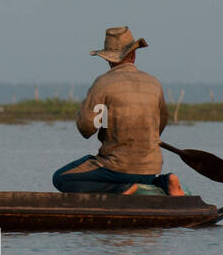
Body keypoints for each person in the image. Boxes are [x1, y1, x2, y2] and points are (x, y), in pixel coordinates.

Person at [52, 26, 185, 196]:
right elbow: (161, 124)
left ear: (108, 59)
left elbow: (86, 128)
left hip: (117, 168)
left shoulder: (103, 83)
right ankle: (164, 181)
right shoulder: (154, 83)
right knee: (138, 174)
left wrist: (87, 115)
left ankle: (122, 189)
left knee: (61, 178)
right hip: (151, 168)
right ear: (134, 54)